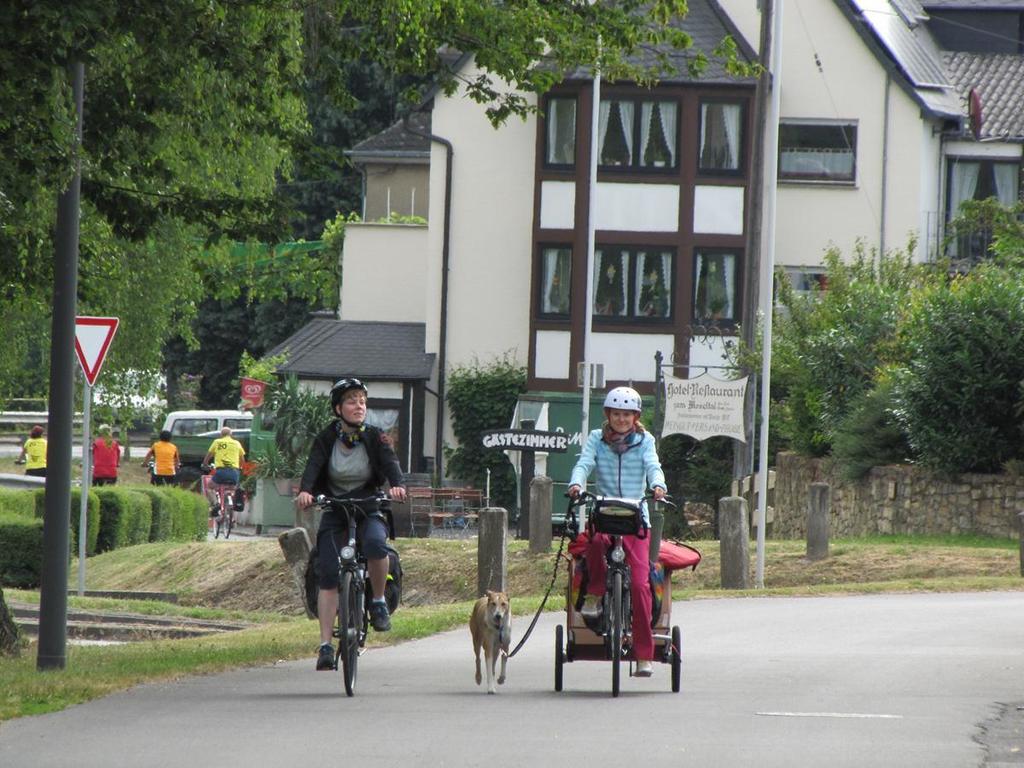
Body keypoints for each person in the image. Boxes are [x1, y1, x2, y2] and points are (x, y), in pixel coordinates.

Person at [295, 377, 407, 671]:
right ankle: (324, 647)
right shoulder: (326, 438)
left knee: (375, 544)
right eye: (351, 401)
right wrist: (306, 491)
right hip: (335, 508)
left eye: (362, 401)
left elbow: (391, 464)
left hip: (368, 506)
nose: (359, 406)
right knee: (329, 573)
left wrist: (397, 485)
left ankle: (379, 601)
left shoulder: (376, 436)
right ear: (338, 408)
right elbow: (313, 467)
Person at [567, 386, 667, 678]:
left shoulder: (645, 440)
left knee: (639, 584)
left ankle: (644, 656)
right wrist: (576, 484)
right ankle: (596, 594)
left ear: (636, 417)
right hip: (605, 511)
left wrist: (658, 486)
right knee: (595, 543)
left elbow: (653, 466)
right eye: (616, 414)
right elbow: (584, 464)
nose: (621, 419)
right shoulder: (597, 440)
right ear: (607, 415)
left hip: (636, 518)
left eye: (627, 414)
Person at [203, 426, 245, 514]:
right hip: (234, 472)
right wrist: (240, 468)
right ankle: (231, 512)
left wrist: (205, 464)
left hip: (221, 471)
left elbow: (209, 455)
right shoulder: (237, 443)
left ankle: (216, 504)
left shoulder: (217, 442)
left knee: (210, 487)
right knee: (232, 488)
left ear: (221, 434)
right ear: (231, 434)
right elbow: (242, 460)